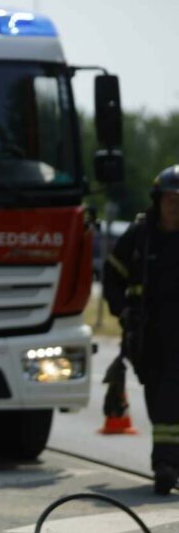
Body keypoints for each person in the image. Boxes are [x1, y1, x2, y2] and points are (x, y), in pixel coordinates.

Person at [104, 165, 179, 495]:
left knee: (171, 395)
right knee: (156, 396)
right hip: (147, 335)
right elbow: (112, 275)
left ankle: (165, 464)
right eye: (170, 200)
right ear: (157, 200)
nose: (175, 207)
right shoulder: (140, 236)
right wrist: (122, 310)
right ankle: (170, 458)